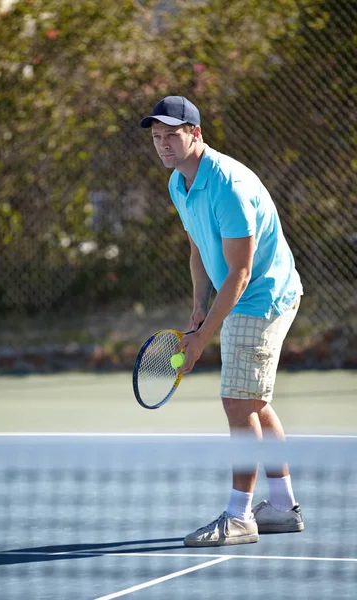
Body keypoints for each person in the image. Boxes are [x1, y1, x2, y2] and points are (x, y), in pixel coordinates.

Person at [140, 96, 304, 547]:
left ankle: (239, 516)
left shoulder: (229, 185)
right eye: (157, 138)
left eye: (172, 135)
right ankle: (283, 507)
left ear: (195, 133)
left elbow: (241, 273)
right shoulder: (179, 183)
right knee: (252, 400)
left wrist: (198, 342)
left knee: (236, 401)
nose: (163, 145)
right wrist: (198, 308)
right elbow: (197, 250)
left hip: (262, 295)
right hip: (242, 292)